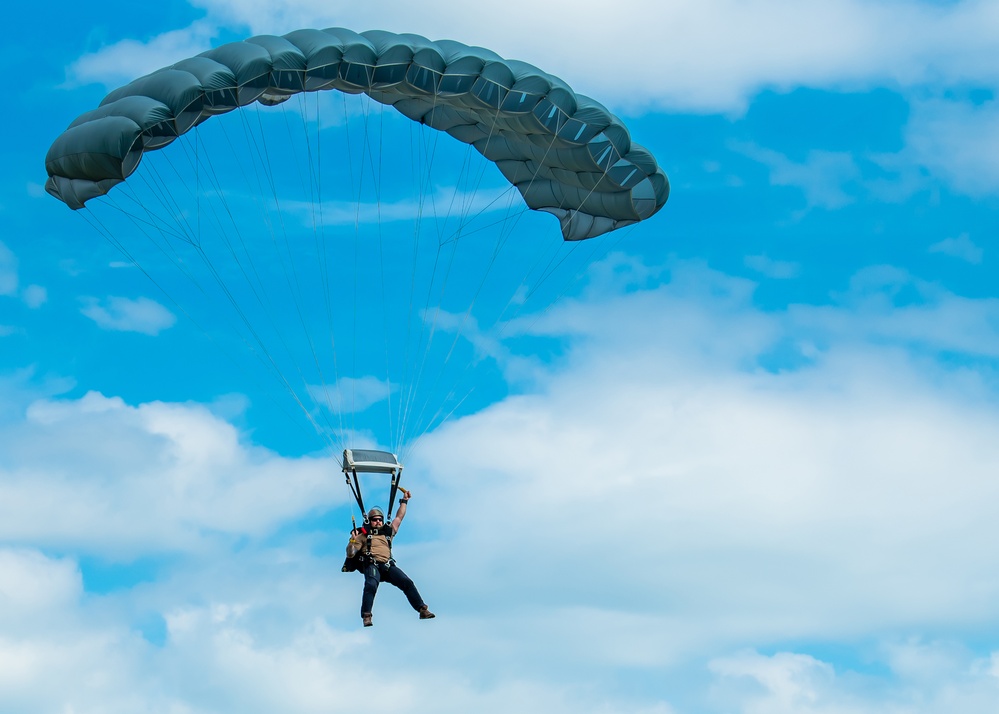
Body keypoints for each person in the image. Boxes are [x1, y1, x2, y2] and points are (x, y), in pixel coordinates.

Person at [346, 490, 434, 627]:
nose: (378, 522)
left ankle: (422, 609)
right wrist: (352, 541)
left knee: (407, 582)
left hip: (387, 566)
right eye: (375, 520)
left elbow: (399, 518)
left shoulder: (388, 533)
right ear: (370, 521)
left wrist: (404, 501)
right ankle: (366, 616)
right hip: (372, 565)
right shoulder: (362, 536)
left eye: (380, 519)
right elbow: (351, 554)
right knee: (371, 585)